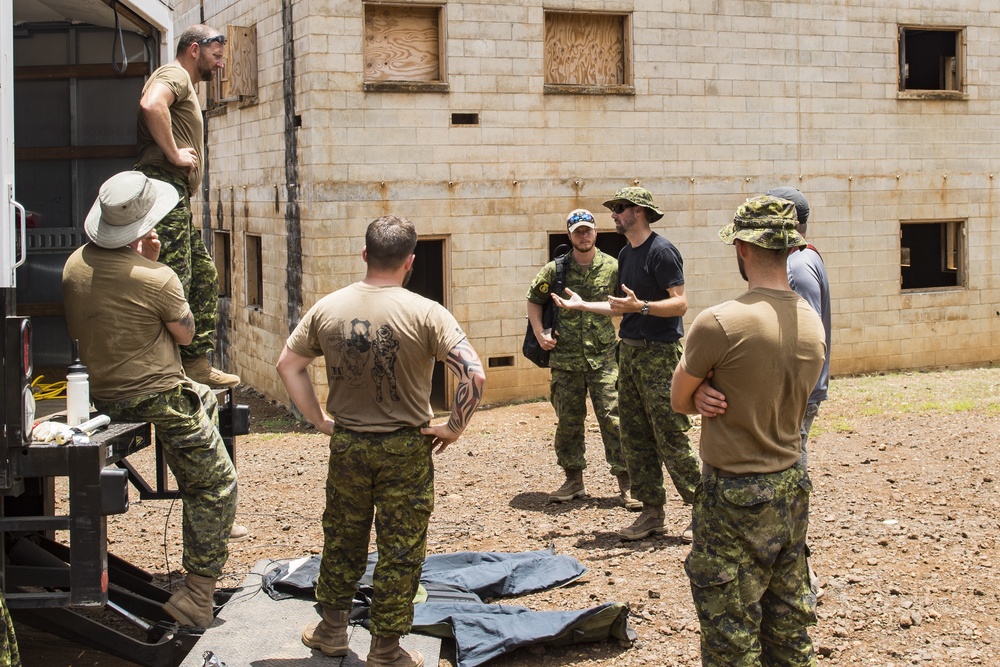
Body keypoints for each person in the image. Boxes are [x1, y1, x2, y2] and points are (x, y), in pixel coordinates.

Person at [276, 215, 486, 667]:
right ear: (410, 261)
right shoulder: (428, 312)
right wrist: (454, 426)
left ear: (365, 254)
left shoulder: (328, 308)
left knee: (342, 538)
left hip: (349, 443)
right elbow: (474, 373)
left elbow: (287, 365)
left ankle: (332, 631)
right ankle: (386, 650)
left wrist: (319, 420)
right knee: (401, 549)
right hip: (406, 448)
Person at [62, 171, 238, 628]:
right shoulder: (157, 277)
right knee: (218, 484)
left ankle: (200, 504)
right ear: (142, 227)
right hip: (156, 397)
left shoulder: (74, 264)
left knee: (206, 398)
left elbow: (117, 301)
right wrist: (157, 266)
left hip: (102, 395)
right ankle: (197, 595)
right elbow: (186, 333)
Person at [670, 195, 826, 666]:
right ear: (788, 248)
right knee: (788, 625)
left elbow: (678, 400)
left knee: (730, 637)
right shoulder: (811, 323)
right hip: (790, 487)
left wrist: (698, 395)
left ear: (741, 247)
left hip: (734, 494)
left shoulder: (720, 322)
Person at [694, 187, 831, 598]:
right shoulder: (806, 259)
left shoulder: (797, 269)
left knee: (774, 485)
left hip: (788, 393)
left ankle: (790, 579)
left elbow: (790, 341)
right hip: (793, 390)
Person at [553, 188, 701, 541]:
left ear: (640, 212)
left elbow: (680, 304)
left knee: (670, 436)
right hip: (630, 353)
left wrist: (643, 307)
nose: (614, 215)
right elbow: (622, 306)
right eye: (614, 209)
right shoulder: (625, 253)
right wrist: (583, 306)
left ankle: (705, 513)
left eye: (619, 209)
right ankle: (651, 513)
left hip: (659, 355)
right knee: (634, 437)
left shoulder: (662, 251)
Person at [136, 24, 238, 388]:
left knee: (204, 275)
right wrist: (174, 153)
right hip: (163, 187)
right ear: (194, 49)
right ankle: (168, 367)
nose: (220, 64)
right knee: (175, 278)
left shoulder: (187, 85)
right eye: (216, 55)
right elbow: (151, 104)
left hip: (175, 191)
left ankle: (194, 364)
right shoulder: (173, 75)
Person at [526, 209, 636, 508]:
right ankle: (573, 480)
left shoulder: (613, 267)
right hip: (565, 360)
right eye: (578, 232)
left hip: (603, 358)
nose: (583, 236)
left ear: (596, 233)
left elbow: (623, 306)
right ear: (570, 235)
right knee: (568, 422)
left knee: (614, 419)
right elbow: (534, 300)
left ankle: (627, 483)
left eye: (588, 230)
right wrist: (539, 334)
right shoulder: (555, 270)